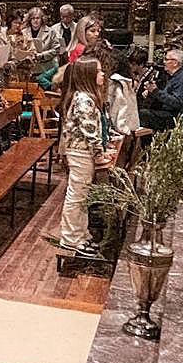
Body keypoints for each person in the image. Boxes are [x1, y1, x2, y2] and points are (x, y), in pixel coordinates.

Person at [57, 56, 107, 258]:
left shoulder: (84, 96)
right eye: (99, 71)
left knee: (83, 195)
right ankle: (70, 238)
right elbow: (90, 131)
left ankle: (81, 234)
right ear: (88, 75)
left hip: (82, 151)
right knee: (76, 194)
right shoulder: (83, 99)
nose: (102, 74)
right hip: (80, 151)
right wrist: (99, 155)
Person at [139, 48, 183, 131]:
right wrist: (151, 93)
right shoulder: (172, 77)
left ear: (175, 63)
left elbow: (176, 102)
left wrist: (155, 91)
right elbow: (165, 96)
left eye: (166, 59)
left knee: (143, 114)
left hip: (181, 117)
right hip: (170, 113)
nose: (164, 62)